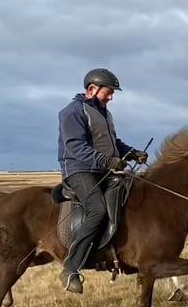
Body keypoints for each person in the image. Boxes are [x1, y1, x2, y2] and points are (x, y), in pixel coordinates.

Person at [57, 68, 148, 294]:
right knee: (97, 210)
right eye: (108, 92)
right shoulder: (72, 112)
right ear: (91, 89)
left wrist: (131, 153)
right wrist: (108, 161)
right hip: (79, 170)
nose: (111, 97)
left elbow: (112, 142)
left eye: (112, 93)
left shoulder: (105, 113)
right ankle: (71, 268)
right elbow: (76, 147)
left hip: (102, 170)